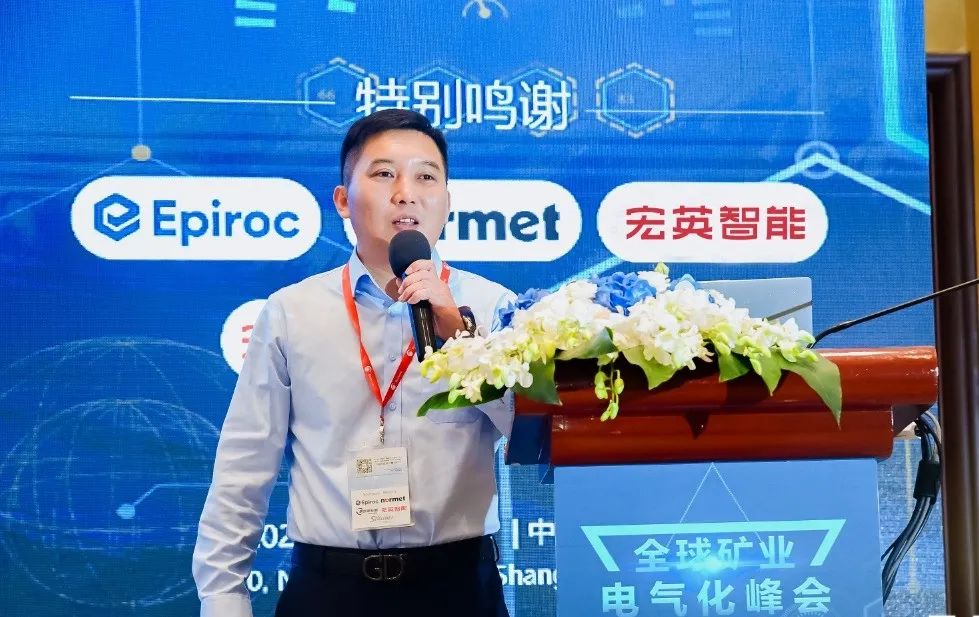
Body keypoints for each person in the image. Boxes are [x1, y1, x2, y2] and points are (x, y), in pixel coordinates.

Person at [192, 109, 514, 617]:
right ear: (343, 200)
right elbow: (245, 464)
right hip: (328, 589)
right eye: (384, 174)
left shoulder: (494, 306)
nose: (406, 193)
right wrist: (223, 598)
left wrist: (463, 340)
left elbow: (528, 434)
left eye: (426, 177)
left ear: (448, 203)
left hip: (457, 589)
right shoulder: (292, 312)